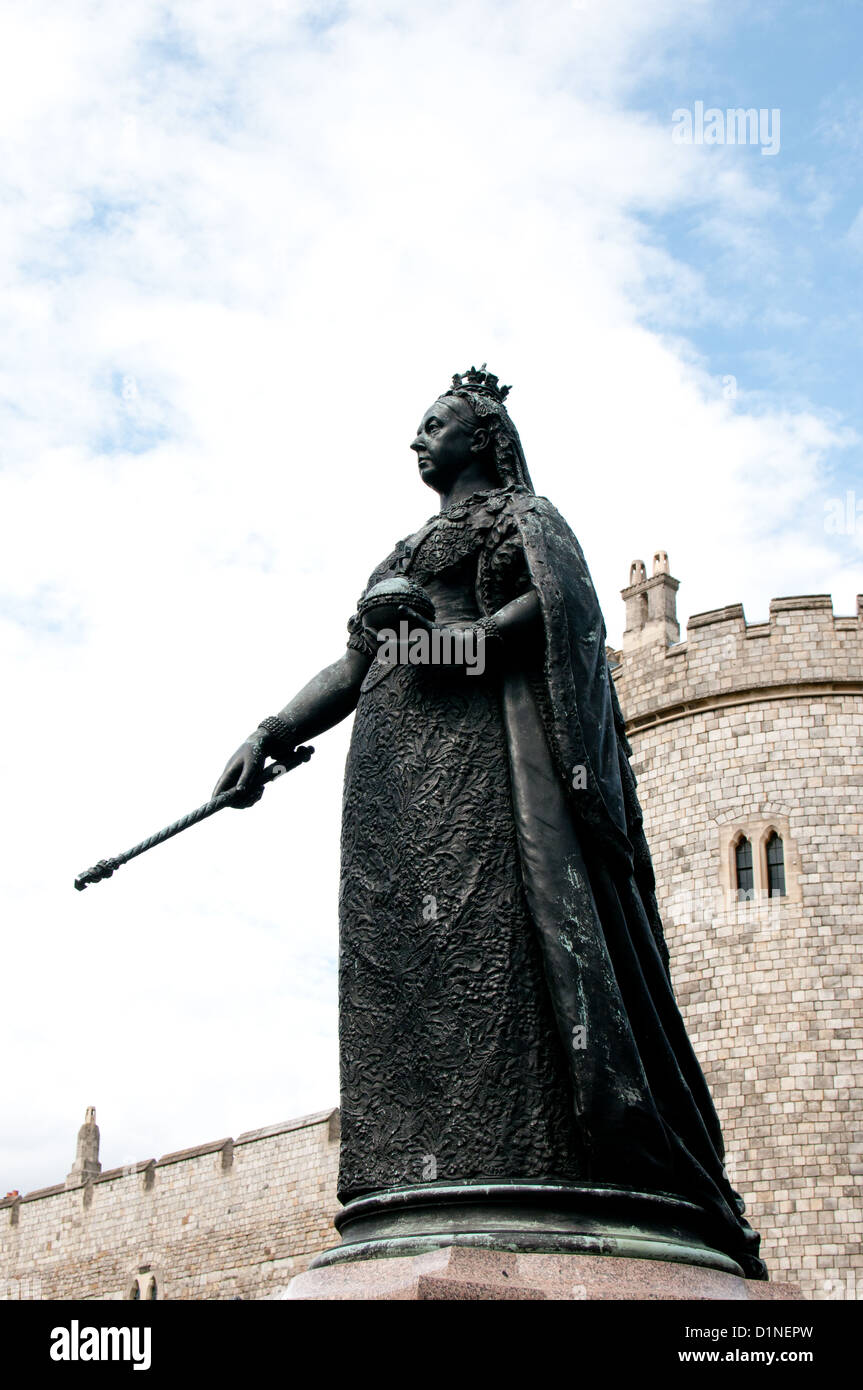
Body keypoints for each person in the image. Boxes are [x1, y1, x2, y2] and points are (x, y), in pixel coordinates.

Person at [213, 366, 765, 1278]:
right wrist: (268, 734)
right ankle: (418, 1179)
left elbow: (555, 616)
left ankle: (528, 1165)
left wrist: (435, 641)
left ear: (486, 438)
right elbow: (355, 667)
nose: (417, 439)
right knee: (405, 972)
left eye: (437, 425)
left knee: (501, 946)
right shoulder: (401, 547)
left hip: (490, 769)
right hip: (395, 781)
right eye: (419, 427)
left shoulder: (525, 521)